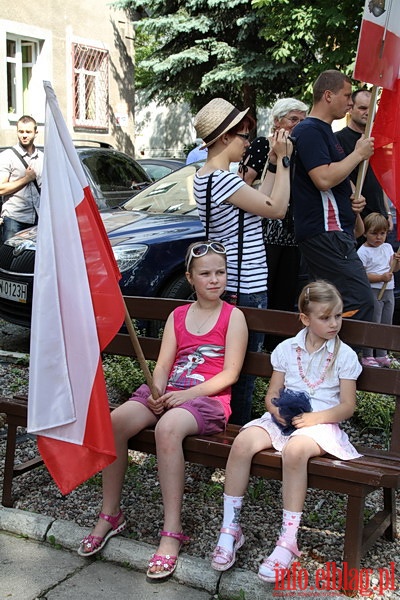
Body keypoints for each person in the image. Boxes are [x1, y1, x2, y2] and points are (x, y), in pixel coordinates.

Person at [77, 241, 248, 580]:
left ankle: (173, 531)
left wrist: (187, 396)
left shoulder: (234, 316)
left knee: (168, 427)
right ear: (190, 278)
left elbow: (230, 373)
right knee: (114, 423)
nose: (215, 280)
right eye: (206, 274)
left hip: (206, 401)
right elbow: (164, 364)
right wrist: (158, 391)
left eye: (221, 272)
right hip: (169, 394)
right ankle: (110, 514)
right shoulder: (178, 316)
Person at [211, 280, 362, 583]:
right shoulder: (285, 349)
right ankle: (231, 527)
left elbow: (347, 407)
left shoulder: (344, 355)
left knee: (295, 450)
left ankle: (288, 541)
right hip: (284, 420)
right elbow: (271, 394)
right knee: (242, 442)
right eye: (325, 317)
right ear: (306, 319)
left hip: (321, 424)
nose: (334, 323)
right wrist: (276, 410)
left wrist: (315, 417)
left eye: (338, 316)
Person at [192, 97, 293, 425]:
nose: (249, 143)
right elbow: (276, 208)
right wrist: (287, 162)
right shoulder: (225, 181)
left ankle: (218, 436)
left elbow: (259, 200)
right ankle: (232, 441)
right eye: (243, 136)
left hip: (229, 284)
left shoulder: (204, 177)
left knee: (227, 368)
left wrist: (274, 163)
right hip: (246, 286)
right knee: (245, 372)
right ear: (224, 138)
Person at [292, 70, 375, 323]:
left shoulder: (323, 130)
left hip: (332, 231)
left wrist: (352, 199)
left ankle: (328, 358)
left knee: (329, 304)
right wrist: (358, 154)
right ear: (328, 95)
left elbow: (335, 179)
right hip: (326, 231)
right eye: (347, 95)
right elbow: (324, 178)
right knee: (360, 300)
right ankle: (343, 360)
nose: (350, 102)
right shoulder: (309, 130)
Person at [238, 98, 308, 334]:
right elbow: (244, 182)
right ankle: (260, 337)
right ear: (277, 121)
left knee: (287, 290)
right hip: (265, 228)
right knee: (264, 287)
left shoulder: (302, 148)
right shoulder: (261, 145)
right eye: (293, 119)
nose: (298, 125)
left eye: (302, 120)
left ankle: (277, 342)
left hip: (293, 230)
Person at [336, 89, 393, 232]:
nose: (368, 112)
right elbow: (339, 175)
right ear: (350, 109)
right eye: (362, 108)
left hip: (379, 219)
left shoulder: (378, 141)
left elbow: (381, 181)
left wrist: (388, 213)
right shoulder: (337, 139)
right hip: (355, 219)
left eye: (371, 108)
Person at [357, 213, 400, 367]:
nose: (378, 237)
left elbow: (393, 270)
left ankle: (382, 354)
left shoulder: (388, 247)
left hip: (388, 290)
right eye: (374, 233)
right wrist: (380, 278)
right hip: (373, 291)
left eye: (382, 233)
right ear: (365, 233)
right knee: (373, 322)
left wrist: (396, 263)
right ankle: (367, 355)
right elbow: (362, 275)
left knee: (386, 322)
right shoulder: (362, 252)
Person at [0, 115, 43, 242]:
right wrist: (27, 178)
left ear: (36, 132)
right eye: (21, 131)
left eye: (28, 132)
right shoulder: (7, 157)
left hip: (39, 219)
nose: (24, 135)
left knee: (34, 260)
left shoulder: (43, 158)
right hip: (15, 219)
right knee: (12, 260)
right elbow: (1, 189)